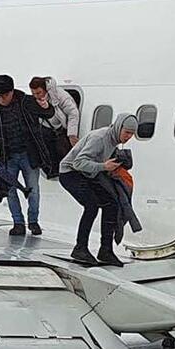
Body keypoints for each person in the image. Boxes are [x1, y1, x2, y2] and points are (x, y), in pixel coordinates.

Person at [0, 74, 54, 237]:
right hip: (8, 156)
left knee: (33, 189)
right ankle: (18, 223)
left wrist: (45, 106)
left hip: (29, 155)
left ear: (12, 92)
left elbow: (48, 113)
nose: (2, 99)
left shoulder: (26, 102)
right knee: (10, 190)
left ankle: (33, 221)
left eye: (5, 95)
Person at [58, 113, 135, 267]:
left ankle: (105, 250)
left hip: (89, 173)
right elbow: (78, 163)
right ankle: (80, 248)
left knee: (112, 203)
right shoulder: (99, 138)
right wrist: (103, 166)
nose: (128, 137)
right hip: (70, 173)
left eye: (132, 134)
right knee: (91, 206)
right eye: (126, 132)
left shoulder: (114, 140)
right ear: (119, 127)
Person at [30, 76, 80, 148]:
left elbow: (73, 113)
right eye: (33, 93)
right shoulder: (34, 100)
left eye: (38, 93)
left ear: (45, 89)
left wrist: (72, 134)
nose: (36, 96)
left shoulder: (60, 95)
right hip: (44, 132)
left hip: (60, 131)